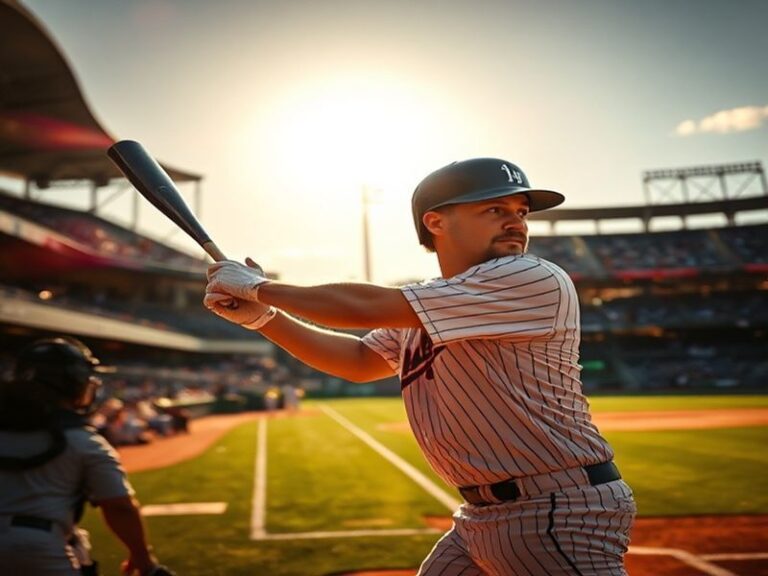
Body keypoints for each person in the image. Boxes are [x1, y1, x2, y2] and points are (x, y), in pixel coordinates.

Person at [204, 158, 636, 575]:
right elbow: (357, 361)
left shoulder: (531, 276)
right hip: (483, 516)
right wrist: (264, 318)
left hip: (556, 507)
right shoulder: (432, 303)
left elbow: (361, 307)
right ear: (436, 222)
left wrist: (261, 289)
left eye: (521, 212)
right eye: (495, 209)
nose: (517, 222)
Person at [0, 336, 175, 576]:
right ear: (74, 383)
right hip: (39, 547)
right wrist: (143, 559)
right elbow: (119, 506)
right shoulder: (82, 439)